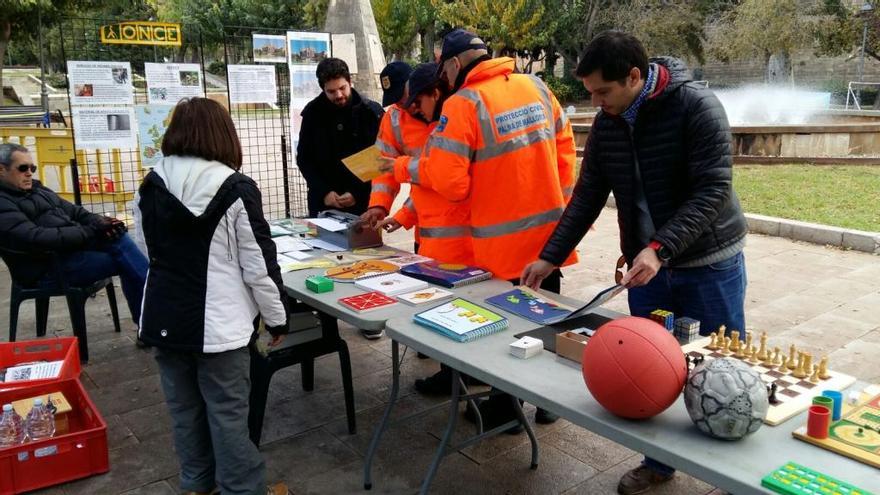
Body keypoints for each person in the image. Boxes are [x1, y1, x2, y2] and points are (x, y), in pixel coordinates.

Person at [521, 31, 748, 495]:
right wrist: (549, 256)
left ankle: (734, 475)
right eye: (590, 94)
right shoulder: (608, 123)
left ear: (634, 77)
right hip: (646, 266)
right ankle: (658, 463)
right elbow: (586, 198)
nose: (597, 103)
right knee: (648, 367)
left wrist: (661, 248)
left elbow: (713, 189)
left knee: (725, 370)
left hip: (707, 262)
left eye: (603, 92)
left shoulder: (697, 108)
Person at [384, 29, 578, 430]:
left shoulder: (465, 103)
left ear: (454, 65)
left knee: (509, 333)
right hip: (548, 239)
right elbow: (565, 152)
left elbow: (452, 182)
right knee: (548, 323)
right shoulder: (538, 87)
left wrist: (404, 168)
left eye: (444, 71)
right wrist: (555, 206)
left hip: (501, 246)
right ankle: (550, 401)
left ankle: (504, 409)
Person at [136, 98, 290, 495]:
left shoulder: (150, 184)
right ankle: (242, 489)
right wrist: (277, 318)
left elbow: (146, 249)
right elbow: (258, 266)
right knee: (228, 416)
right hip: (219, 329)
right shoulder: (235, 188)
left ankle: (196, 485)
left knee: (184, 413)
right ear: (224, 135)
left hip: (164, 321)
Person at [0, 142, 147, 336]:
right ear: (2, 170)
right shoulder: (3, 202)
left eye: (32, 168)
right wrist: (90, 231)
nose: (29, 173)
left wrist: (100, 221)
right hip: (47, 268)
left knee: (118, 237)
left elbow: (74, 211)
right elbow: (35, 237)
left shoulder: (36, 189)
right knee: (125, 258)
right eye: (23, 168)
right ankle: (151, 318)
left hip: (68, 252)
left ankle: (148, 323)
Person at [296, 57, 384, 217]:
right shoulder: (313, 114)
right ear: (322, 89)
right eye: (331, 91)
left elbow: (380, 159)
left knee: (366, 243)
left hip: (363, 205)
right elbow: (304, 158)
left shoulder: (370, 112)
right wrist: (324, 192)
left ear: (350, 82)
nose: (338, 95)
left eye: (342, 88)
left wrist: (358, 192)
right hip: (323, 204)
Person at [361, 61, 419, 252]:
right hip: (426, 231)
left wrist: (405, 215)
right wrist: (378, 205)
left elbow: (434, 179)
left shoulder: (444, 111)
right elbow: (383, 167)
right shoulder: (394, 116)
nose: (401, 104)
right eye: (396, 100)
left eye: (403, 97)